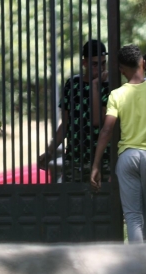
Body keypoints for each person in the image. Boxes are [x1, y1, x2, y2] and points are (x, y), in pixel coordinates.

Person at [90, 44, 146, 243]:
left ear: (122, 70)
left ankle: (136, 267)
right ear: (144, 63)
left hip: (128, 158)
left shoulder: (117, 95)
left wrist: (96, 165)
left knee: (132, 217)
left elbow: (106, 130)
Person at [39, 39, 110, 183]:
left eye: (103, 63)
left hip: (102, 160)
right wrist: (50, 150)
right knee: (72, 202)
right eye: (95, 64)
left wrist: (96, 86)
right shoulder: (73, 84)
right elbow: (65, 125)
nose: (101, 68)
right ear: (85, 63)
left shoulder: (108, 86)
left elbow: (100, 121)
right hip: (75, 160)